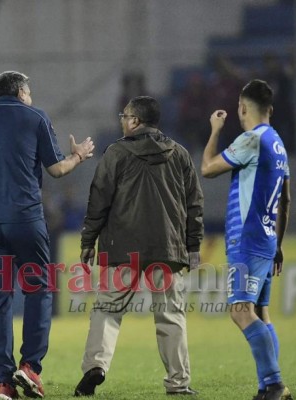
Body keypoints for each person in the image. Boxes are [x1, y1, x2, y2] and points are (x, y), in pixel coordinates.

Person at [0, 70, 95, 400]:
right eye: (29, 92)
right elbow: (57, 169)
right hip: (22, 218)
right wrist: (78, 155)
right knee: (39, 288)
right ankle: (30, 367)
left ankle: (4, 383)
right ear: (21, 92)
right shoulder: (35, 117)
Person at [74, 96, 203, 397]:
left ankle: (96, 365)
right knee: (171, 315)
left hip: (122, 248)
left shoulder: (116, 153)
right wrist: (193, 245)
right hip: (167, 248)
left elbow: (99, 199)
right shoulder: (180, 154)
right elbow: (194, 203)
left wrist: (88, 240)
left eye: (124, 116)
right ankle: (178, 383)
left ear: (134, 121)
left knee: (107, 309)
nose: (121, 120)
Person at [201, 80, 292, 400]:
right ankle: (268, 386)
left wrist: (214, 130)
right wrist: (278, 245)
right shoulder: (278, 144)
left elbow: (208, 168)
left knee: (240, 310)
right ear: (271, 109)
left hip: (247, 238)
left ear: (242, 108)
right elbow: (286, 200)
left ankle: (276, 383)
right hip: (267, 239)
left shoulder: (250, 140)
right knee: (261, 313)